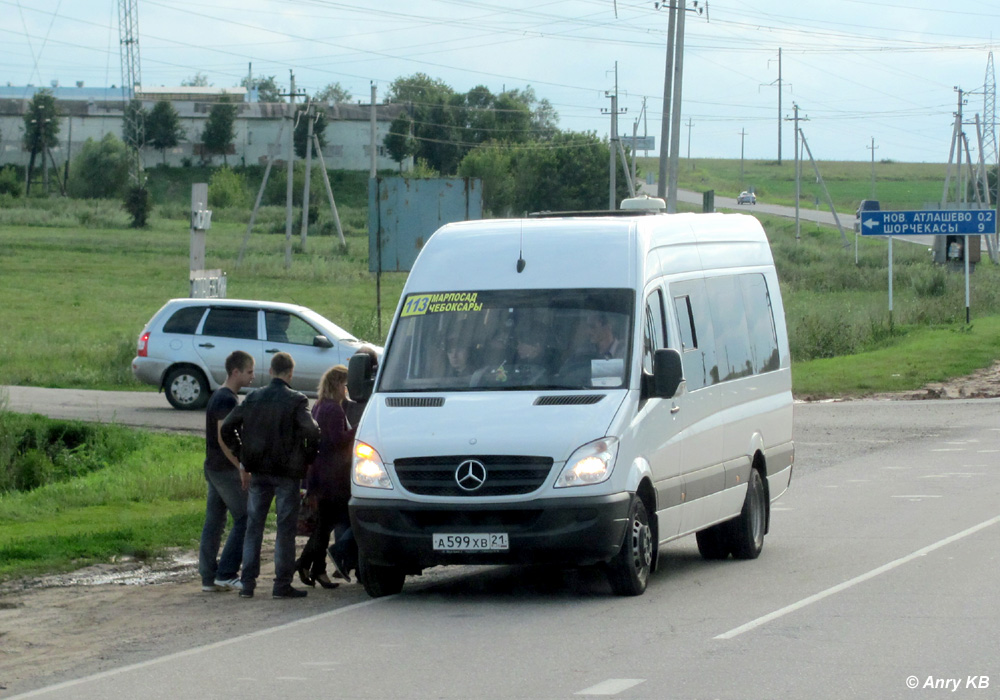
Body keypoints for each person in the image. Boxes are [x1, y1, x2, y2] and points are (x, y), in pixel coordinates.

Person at [221, 352, 320, 599]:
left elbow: (227, 427)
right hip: (287, 472)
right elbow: (312, 430)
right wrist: (306, 457)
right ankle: (281, 584)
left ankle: (247, 584)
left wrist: (242, 454)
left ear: (271, 371)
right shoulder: (296, 400)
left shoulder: (253, 397)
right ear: (290, 373)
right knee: (285, 529)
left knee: (254, 526)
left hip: (258, 470)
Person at [199, 350, 255, 593]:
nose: (252, 376)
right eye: (249, 371)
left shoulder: (220, 396)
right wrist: (241, 466)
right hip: (223, 469)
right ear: (236, 372)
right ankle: (227, 572)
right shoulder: (226, 399)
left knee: (215, 521)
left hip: (213, 467)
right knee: (244, 517)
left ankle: (208, 577)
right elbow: (225, 436)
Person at [295, 365, 355, 589]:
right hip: (333, 477)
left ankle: (317, 569)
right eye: (345, 385)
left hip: (320, 474)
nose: (347, 390)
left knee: (324, 525)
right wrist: (358, 429)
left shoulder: (320, 406)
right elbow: (337, 441)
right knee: (327, 525)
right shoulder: (335, 410)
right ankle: (303, 563)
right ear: (338, 385)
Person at [327, 347, 379, 583]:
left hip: (345, 466)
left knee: (346, 515)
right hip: (366, 466)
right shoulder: (376, 400)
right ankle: (345, 557)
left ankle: (346, 561)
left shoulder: (348, 403)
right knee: (362, 514)